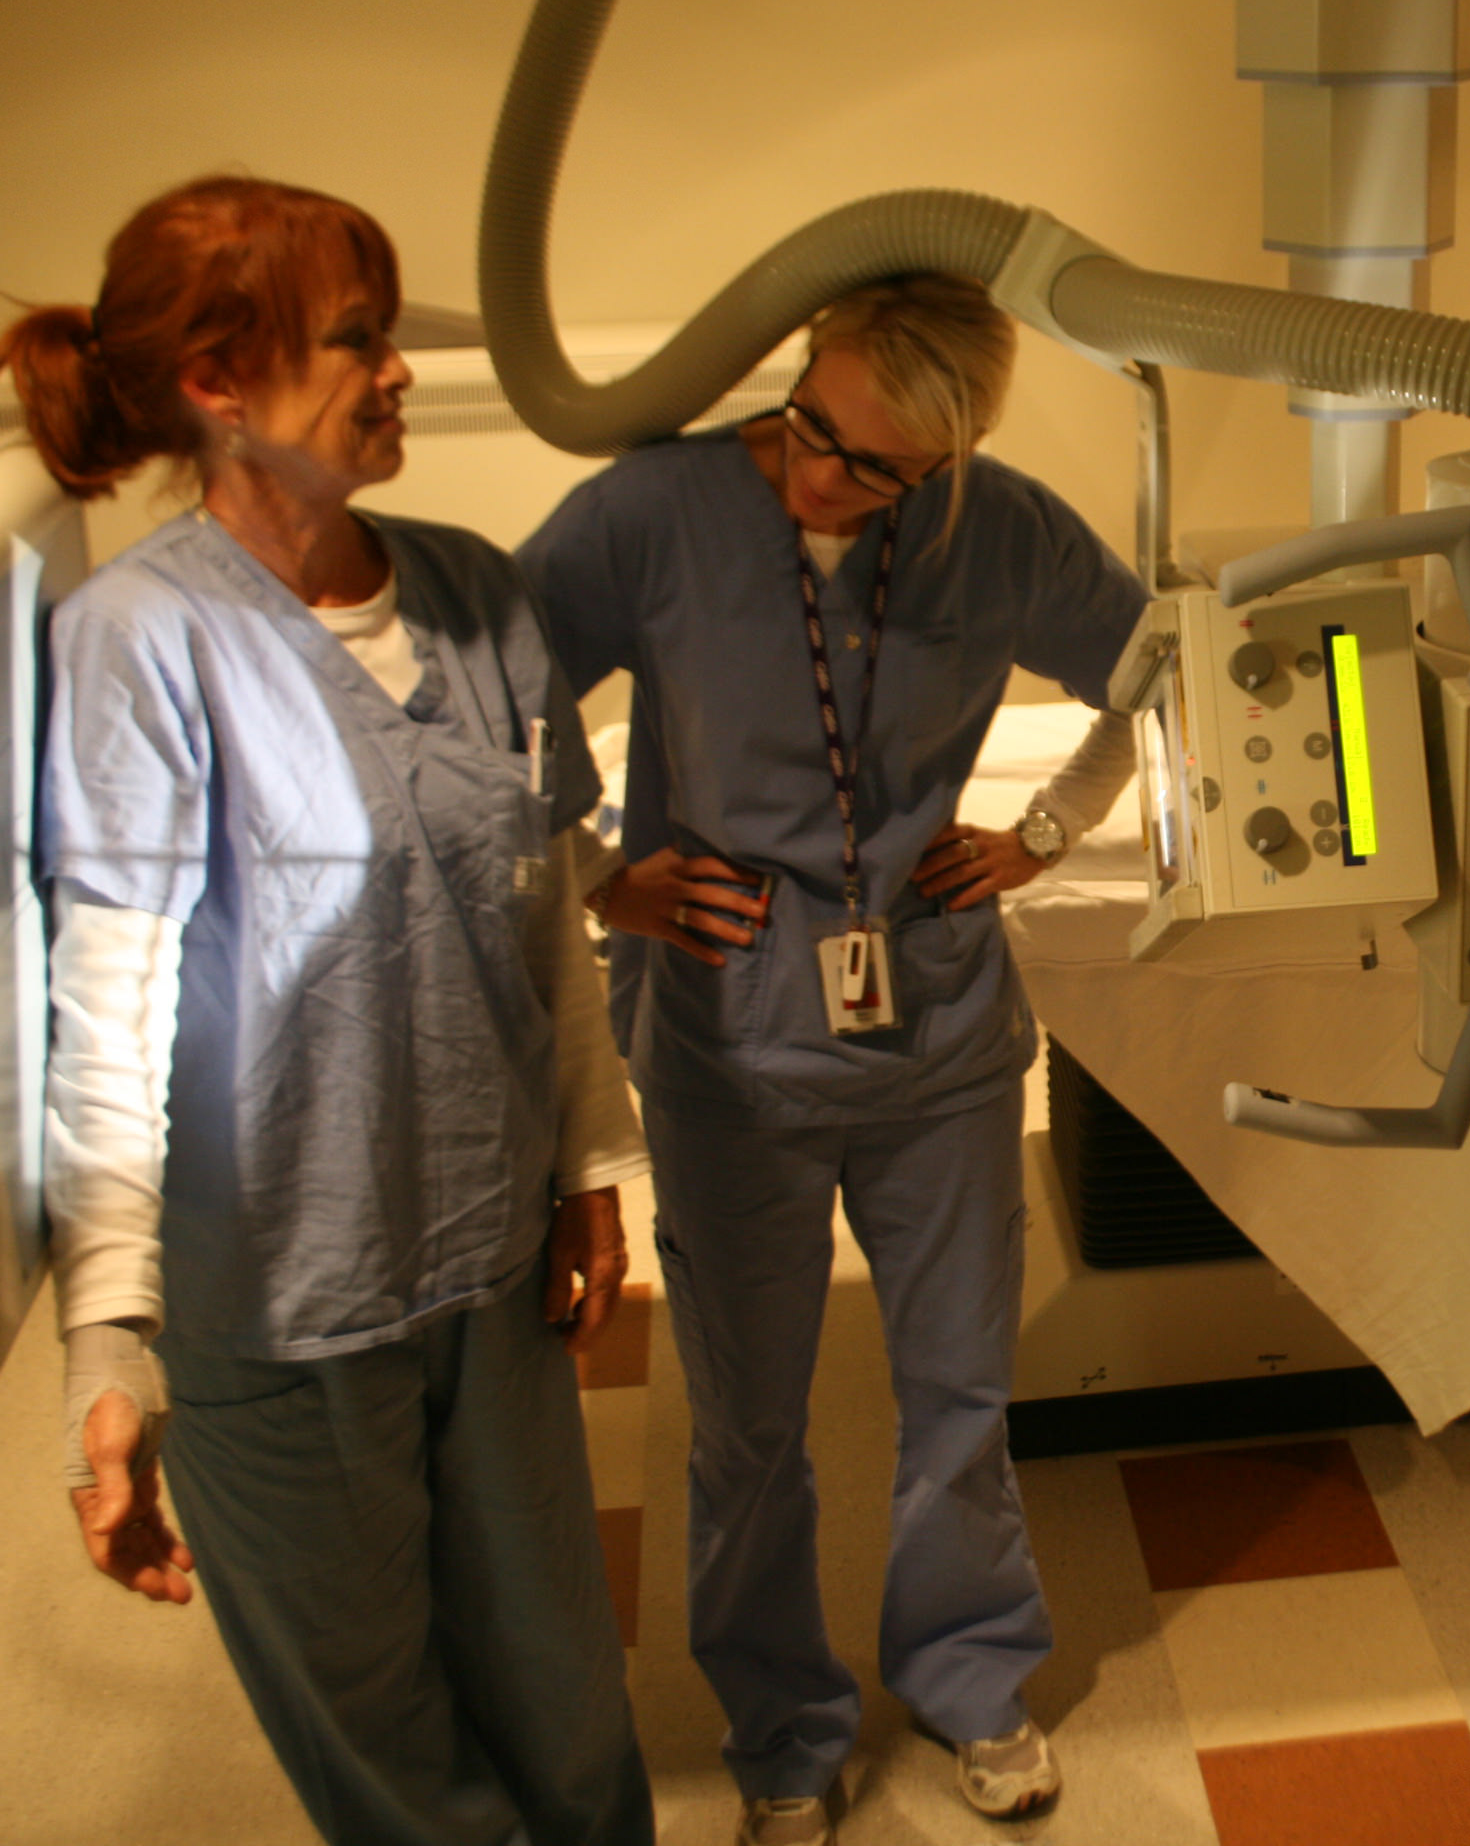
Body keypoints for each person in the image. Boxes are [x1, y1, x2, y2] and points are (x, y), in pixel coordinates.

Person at [2, 175, 654, 1846]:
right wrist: (110, 1341)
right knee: (384, 1734)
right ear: (221, 383)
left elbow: (543, 914)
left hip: (487, 1263)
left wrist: (590, 1161)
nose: (397, 371)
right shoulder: (137, 646)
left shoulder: (475, 591)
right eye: (358, 338)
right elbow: (112, 1005)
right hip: (276, 1297)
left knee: (565, 1695)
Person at [518, 272, 1147, 1846]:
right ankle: (782, 1730)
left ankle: (969, 1676)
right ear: (798, 378)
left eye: (873, 470)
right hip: (732, 1037)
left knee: (959, 1390)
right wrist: (601, 867)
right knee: (746, 1419)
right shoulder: (653, 514)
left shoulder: (997, 530)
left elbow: (1174, 672)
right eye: (811, 429)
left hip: (934, 1030)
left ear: (942, 464)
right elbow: (491, 690)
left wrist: (1046, 833)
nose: (821, 477)